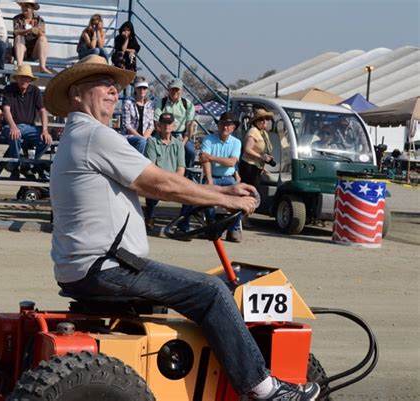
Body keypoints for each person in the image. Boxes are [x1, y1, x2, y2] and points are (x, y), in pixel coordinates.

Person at [44, 54, 319, 401]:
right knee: (212, 291)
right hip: (108, 268)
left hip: (86, 267)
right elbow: (159, 184)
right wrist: (226, 200)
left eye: (115, 85)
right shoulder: (94, 136)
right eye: (103, 83)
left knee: (193, 289)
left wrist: (220, 190)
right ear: (76, 94)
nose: (113, 91)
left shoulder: (77, 137)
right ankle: (263, 390)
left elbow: (159, 182)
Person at [200, 112, 243, 243]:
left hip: (228, 177)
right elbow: (204, 161)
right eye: (223, 124)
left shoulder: (236, 142)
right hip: (213, 176)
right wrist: (209, 181)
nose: (225, 127)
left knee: (240, 199)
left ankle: (233, 229)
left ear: (233, 128)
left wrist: (211, 157)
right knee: (206, 196)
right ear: (218, 125)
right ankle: (212, 226)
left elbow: (231, 162)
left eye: (228, 125)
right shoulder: (208, 139)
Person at [2, 64, 52, 174]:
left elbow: (43, 110)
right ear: (17, 78)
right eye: (21, 77)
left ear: (30, 79)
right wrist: (13, 126)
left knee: (47, 140)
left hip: (29, 128)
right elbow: (6, 109)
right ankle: (16, 164)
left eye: (26, 77)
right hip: (10, 126)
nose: (24, 80)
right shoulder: (9, 89)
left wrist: (45, 130)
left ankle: (29, 163)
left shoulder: (35, 90)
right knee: (14, 134)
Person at [143, 112, 185, 230]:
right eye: (164, 123)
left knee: (192, 195)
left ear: (173, 126)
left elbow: (181, 168)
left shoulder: (179, 144)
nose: (167, 126)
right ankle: (150, 216)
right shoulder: (151, 141)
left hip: (174, 180)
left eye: (169, 123)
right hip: (158, 179)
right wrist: (166, 181)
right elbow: (152, 167)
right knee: (151, 186)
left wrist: (174, 181)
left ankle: (183, 225)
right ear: (159, 125)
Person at [154, 77, 197, 167]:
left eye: (177, 89)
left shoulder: (188, 104)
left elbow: (190, 127)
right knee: (154, 147)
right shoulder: (161, 102)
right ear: (168, 90)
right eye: (172, 89)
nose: (174, 92)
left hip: (182, 135)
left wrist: (183, 143)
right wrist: (164, 138)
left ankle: (187, 174)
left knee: (191, 151)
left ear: (181, 90)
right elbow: (157, 122)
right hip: (163, 134)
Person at [239, 109, 275, 188]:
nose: (264, 121)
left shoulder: (264, 133)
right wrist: (261, 157)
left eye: (266, 119)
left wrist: (267, 158)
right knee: (250, 190)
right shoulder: (253, 131)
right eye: (261, 119)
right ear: (256, 121)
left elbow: (264, 149)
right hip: (249, 166)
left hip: (258, 167)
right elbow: (247, 149)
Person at [13, 0, 52, 74]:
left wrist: (38, 32)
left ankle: (42, 67)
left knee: (43, 39)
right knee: (19, 37)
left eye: (26, 6)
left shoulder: (39, 20)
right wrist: (28, 30)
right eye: (22, 6)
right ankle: (20, 66)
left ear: (32, 8)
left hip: (34, 51)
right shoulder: (17, 18)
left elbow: (43, 34)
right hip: (22, 49)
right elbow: (16, 31)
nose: (24, 8)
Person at [121, 76, 154, 153]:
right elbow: (127, 125)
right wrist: (141, 138)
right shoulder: (128, 103)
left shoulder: (150, 104)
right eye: (139, 88)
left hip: (145, 136)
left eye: (144, 88)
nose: (142, 90)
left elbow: (151, 125)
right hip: (130, 136)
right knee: (142, 142)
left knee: (154, 143)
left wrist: (144, 137)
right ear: (135, 88)